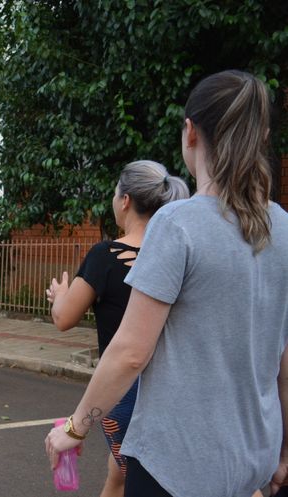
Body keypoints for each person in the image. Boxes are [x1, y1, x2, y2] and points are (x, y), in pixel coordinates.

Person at [44, 70, 288, 497]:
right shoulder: (282, 226)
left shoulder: (177, 224)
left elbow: (131, 352)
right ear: (262, 136)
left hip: (177, 464)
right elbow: (283, 357)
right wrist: (284, 451)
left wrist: (75, 427)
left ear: (190, 132)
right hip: (255, 458)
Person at [46, 161, 189, 497]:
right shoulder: (182, 253)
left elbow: (63, 318)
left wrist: (59, 296)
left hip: (123, 393)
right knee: (119, 472)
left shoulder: (107, 255)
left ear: (125, 201)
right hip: (177, 388)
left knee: (139, 478)